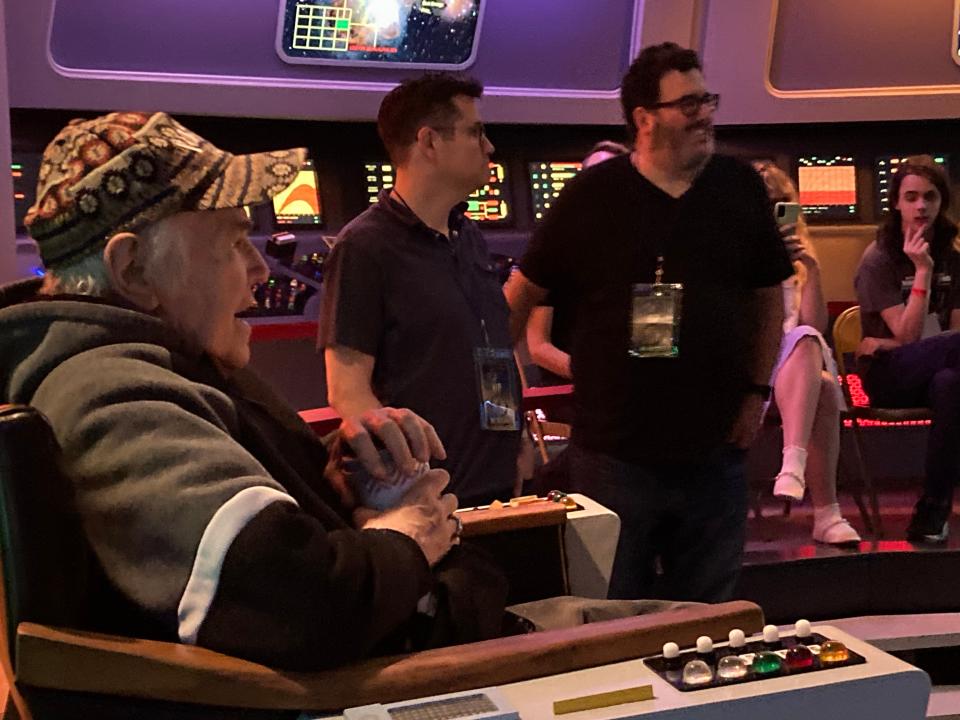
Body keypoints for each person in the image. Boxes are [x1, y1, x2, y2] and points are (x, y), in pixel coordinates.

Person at [0, 111, 509, 671]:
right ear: (134, 269)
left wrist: (346, 478)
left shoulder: (176, 361)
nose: (260, 268)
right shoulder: (110, 390)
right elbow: (298, 598)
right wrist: (407, 537)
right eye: (234, 240)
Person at [505, 43, 793, 602]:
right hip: (615, 456)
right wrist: (499, 414)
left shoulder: (739, 187)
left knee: (708, 620)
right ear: (643, 119)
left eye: (706, 99)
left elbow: (767, 302)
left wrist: (757, 394)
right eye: (688, 104)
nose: (705, 114)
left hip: (715, 453)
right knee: (611, 616)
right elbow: (515, 305)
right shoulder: (591, 197)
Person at [319, 73, 521, 508]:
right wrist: (410, 488)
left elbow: (494, 348)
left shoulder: (468, 237)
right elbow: (347, 391)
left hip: (499, 486)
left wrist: (515, 446)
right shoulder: (365, 246)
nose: (489, 147)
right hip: (429, 501)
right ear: (429, 142)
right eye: (475, 132)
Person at [854, 155, 960, 544]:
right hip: (887, 375)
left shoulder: (954, 255)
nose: (921, 206)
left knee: (952, 384)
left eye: (930, 197)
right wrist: (923, 271)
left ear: (941, 202)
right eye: (911, 197)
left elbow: (952, 335)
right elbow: (911, 335)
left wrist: (894, 338)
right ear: (896, 202)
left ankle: (931, 513)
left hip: (937, 367)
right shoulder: (878, 258)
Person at [753, 162, 860, 545]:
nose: (775, 213)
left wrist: (810, 269)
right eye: (766, 204)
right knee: (824, 385)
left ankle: (795, 468)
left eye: (782, 204)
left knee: (810, 347)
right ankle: (825, 511)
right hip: (752, 368)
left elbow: (815, 325)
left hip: (796, 368)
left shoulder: (799, 259)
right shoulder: (737, 256)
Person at [526, 141, 630, 386]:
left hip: (632, 393)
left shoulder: (649, 250)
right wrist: (594, 377)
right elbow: (538, 346)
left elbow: (656, 341)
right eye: (592, 177)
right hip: (573, 392)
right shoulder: (556, 250)